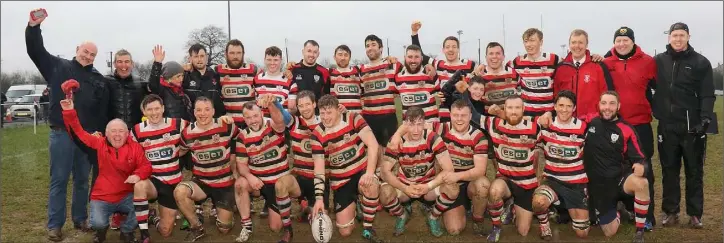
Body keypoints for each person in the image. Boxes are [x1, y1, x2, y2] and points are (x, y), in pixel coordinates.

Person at [25, 8, 111, 241]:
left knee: (83, 180)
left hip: (86, 138)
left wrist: (100, 134)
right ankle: (55, 225)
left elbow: (101, 110)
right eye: (85, 52)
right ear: (77, 50)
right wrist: (34, 27)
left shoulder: (98, 79)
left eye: (92, 54)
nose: (88, 56)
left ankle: (80, 218)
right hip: (61, 134)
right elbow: (36, 51)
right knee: (59, 181)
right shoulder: (58, 66)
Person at [390, 99, 490, 236]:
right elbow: (413, 123)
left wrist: (457, 175)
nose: (459, 119)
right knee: (454, 229)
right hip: (448, 182)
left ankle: (478, 219)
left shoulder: (479, 136)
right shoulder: (441, 128)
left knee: (483, 184)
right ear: (450, 115)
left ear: (470, 116)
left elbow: (480, 170)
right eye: (455, 115)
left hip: (468, 181)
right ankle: (452, 207)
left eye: (464, 115)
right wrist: (397, 135)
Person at [59, 98, 151, 243]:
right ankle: (100, 231)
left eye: (121, 131)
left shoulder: (135, 147)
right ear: (106, 133)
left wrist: (137, 175)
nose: (117, 135)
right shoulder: (99, 143)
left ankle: (126, 231)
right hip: (102, 197)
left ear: (127, 133)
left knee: (143, 208)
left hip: (126, 195)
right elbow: (79, 132)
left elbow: (146, 166)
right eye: (113, 131)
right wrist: (69, 111)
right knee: (98, 223)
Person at [654, 22, 715, 229]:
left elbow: (707, 93)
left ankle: (695, 214)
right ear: (668, 37)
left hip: (692, 127)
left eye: (681, 35)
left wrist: (705, 119)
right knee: (669, 170)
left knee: (694, 171)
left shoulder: (701, 62)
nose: (677, 39)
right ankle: (671, 212)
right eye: (674, 35)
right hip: (667, 126)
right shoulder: (659, 61)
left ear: (688, 36)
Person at [603, 26, 657, 230]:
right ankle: (622, 209)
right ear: (614, 43)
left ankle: (648, 216)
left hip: (641, 124)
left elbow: (659, 88)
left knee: (644, 169)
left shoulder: (648, 62)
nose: (622, 44)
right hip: (615, 125)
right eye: (618, 40)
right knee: (616, 167)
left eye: (626, 40)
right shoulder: (607, 63)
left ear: (633, 41)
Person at [309, 95, 384, 242]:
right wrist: (319, 199)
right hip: (341, 180)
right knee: (345, 232)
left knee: (371, 186)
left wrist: (369, 173)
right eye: (322, 113)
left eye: (329, 112)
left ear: (338, 110)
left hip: (361, 171)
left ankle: (367, 227)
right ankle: (356, 205)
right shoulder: (316, 135)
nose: (325, 117)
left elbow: (373, 144)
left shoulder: (353, 118)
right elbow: (318, 170)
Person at [579, 91, 650, 243]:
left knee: (641, 183)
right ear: (598, 105)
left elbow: (641, 158)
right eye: (604, 103)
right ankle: (619, 212)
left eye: (612, 104)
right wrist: (547, 117)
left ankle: (639, 231)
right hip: (597, 186)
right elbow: (566, 121)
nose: (607, 108)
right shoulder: (590, 121)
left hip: (619, 180)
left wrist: (642, 167)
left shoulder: (626, 129)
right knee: (609, 232)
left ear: (619, 106)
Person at [470, 95, 542, 242]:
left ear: (523, 109)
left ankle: (512, 207)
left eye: (517, 108)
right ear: (504, 109)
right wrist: (463, 92)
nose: (513, 111)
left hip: (526, 184)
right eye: (510, 108)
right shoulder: (494, 124)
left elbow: (543, 150)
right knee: (495, 191)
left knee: (523, 231)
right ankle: (496, 226)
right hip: (506, 179)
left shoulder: (535, 127)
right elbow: (474, 115)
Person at [379, 106, 458, 238]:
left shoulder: (433, 138)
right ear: (405, 124)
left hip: (428, 186)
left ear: (424, 124)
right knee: (384, 193)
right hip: (405, 187)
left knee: (453, 188)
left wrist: (428, 186)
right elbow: (384, 172)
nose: (416, 130)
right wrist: (405, 187)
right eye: (411, 124)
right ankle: (402, 215)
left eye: (419, 124)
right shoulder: (397, 141)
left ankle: (433, 216)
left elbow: (449, 169)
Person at [173, 97, 239, 242]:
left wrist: (235, 163)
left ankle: (226, 208)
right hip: (201, 182)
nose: (203, 113)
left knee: (224, 229)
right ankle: (196, 226)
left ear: (214, 111)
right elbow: (180, 151)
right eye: (199, 110)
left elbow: (241, 139)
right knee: (180, 191)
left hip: (225, 183)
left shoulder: (226, 126)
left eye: (207, 109)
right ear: (194, 112)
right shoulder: (187, 133)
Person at [233, 94, 296, 243]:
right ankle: (246, 226)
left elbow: (280, 122)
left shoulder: (272, 125)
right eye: (248, 117)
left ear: (262, 113)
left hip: (279, 182)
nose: (253, 120)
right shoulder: (243, 136)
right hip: (259, 182)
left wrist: (270, 104)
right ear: (244, 119)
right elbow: (241, 165)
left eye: (255, 115)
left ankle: (279, 205)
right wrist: (250, 177)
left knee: (275, 227)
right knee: (240, 183)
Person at [128, 94, 190, 242]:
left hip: (173, 184)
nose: (154, 112)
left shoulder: (178, 124)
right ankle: (144, 232)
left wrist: (181, 150)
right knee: (139, 185)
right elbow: (129, 153)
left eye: (157, 108)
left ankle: (152, 217)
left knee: (165, 231)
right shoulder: (137, 131)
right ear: (144, 111)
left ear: (163, 108)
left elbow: (197, 129)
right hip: (153, 181)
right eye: (150, 109)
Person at [532, 90, 590, 240]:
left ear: (574, 108)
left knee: (582, 233)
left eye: (569, 106)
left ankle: (559, 204)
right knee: (538, 202)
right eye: (561, 105)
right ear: (555, 107)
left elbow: (589, 157)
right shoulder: (545, 126)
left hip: (576, 184)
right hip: (553, 181)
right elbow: (531, 143)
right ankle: (545, 225)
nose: (564, 109)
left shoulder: (583, 128)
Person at [106, 49, 148, 231]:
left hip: (134, 135)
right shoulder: (106, 81)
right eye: (120, 62)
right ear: (115, 63)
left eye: (127, 62)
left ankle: (137, 210)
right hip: (113, 136)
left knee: (136, 173)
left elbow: (158, 86)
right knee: (116, 176)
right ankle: (117, 213)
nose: (124, 65)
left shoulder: (139, 83)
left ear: (132, 64)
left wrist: (157, 65)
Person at [410, 20, 478, 122]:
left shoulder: (469, 65)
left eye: (454, 47)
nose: (451, 49)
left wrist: (480, 68)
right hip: (445, 115)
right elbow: (421, 56)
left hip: (464, 115)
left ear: (458, 49)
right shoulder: (439, 64)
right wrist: (414, 33)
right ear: (443, 50)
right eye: (447, 47)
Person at [358, 34, 402, 169]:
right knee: (372, 149)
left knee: (389, 150)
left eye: (373, 45)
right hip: (369, 117)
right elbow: (361, 93)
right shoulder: (361, 70)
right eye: (367, 46)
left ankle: (388, 177)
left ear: (381, 48)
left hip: (387, 115)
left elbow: (404, 83)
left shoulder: (392, 65)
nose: (370, 48)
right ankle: (376, 177)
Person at [553, 29, 614, 118]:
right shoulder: (560, 68)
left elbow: (608, 95)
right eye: (573, 42)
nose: (577, 46)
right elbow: (555, 96)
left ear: (586, 45)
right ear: (569, 44)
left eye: (580, 42)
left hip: (592, 122)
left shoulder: (599, 66)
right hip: (567, 121)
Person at [217, 39, 258, 129]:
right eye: (232, 53)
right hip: (228, 124)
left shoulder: (253, 70)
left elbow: (270, 77)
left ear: (243, 54)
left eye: (238, 53)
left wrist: (288, 72)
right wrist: (189, 68)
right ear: (226, 54)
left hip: (249, 124)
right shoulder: (217, 70)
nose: (235, 56)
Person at [395, 45, 440, 123]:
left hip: (430, 128)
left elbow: (444, 94)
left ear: (422, 58)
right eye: (410, 57)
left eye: (416, 57)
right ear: (405, 57)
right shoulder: (398, 78)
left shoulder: (431, 74)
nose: (413, 60)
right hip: (410, 129)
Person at [149, 45, 192, 121]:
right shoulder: (162, 90)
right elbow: (153, 84)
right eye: (178, 76)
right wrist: (157, 64)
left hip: (184, 126)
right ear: (169, 78)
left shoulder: (180, 89)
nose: (181, 79)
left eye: (182, 75)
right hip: (169, 129)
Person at [183, 44, 225, 119]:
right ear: (190, 59)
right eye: (196, 56)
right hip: (192, 124)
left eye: (202, 56)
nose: (199, 59)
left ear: (206, 57)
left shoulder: (216, 76)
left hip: (212, 124)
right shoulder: (184, 76)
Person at [287, 40, 331, 108]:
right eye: (309, 51)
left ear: (318, 54)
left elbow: (327, 95)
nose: (311, 55)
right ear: (303, 52)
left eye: (315, 52)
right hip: (297, 115)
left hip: (317, 115)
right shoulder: (293, 70)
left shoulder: (324, 72)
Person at [255, 46, 294, 115]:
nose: (272, 63)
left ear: (281, 61)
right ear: (264, 60)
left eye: (275, 60)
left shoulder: (290, 82)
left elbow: (292, 110)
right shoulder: (256, 80)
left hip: (281, 124)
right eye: (269, 60)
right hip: (261, 124)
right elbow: (252, 105)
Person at [329, 45, 363, 113]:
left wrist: (389, 59)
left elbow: (375, 65)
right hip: (338, 119)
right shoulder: (329, 73)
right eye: (340, 55)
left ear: (350, 57)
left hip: (357, 117)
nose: (343, 58)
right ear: (334, 57)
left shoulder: (359, 70)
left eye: (346, 55)